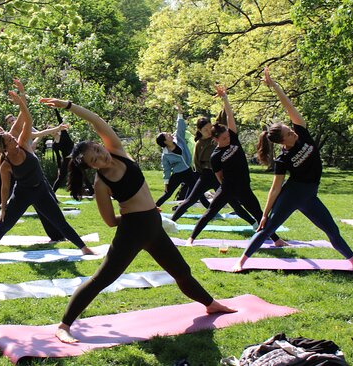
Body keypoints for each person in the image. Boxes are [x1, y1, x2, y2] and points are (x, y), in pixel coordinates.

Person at [38, 97, 236, 343]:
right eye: (95, 160)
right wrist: (135, 216)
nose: (102, 158)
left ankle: (210, 304)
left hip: (153, 225)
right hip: (132, 230)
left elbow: (97, 121)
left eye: (98, 151)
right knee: (102, 278)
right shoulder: (102, 184)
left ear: (101, 145)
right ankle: (64, 325)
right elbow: (110, 221)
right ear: (91, 167)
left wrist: (68, 106)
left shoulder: (117, 151)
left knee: (182, 271)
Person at [232, 67, 353, 271]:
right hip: (293, 194)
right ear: (283, 141)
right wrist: (265, 213)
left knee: (332, 230)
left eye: (290, 128)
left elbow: (289, 107)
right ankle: (240, 262)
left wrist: (274, 86)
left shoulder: (302, 134)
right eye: (288, 132)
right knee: (267, 229)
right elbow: (275, 189)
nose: (292, 131)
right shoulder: (283, 159)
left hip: (310, 196)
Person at [0, 82, 95, 262]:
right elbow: (5, 188)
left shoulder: (22, 144)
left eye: (11, 136)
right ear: (5, 147)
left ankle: (84, 248)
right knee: (4, 225)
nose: (13, 137)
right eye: (9, 139)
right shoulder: (5, 163)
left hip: (40, 190)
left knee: (60, 221)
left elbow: (27, 120)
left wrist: (21, 98)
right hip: (22, 194)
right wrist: (4, 209)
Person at [186, 86, 286, 246]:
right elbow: (219, 177)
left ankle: (277, 240)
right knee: (210, 212)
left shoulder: (233, 138)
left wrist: (225, 97)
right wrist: (227, 189)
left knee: (258, 213)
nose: (228, 139)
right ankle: (191, 238)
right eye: (224, 138)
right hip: (227, 188)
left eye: (228, 136)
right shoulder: (215, 156)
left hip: (244, 187)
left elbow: (230, 115)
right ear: (216, 139)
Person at [169, 115, 254, 224]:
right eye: (205, 130)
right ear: (200, 130)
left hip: (219, 176)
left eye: (210, 128)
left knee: (233, 202)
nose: (209, 131)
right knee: (190, 200)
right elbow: (196, 162)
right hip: (205, 175)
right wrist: (201, 174)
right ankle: (171, 222)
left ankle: (254, 223)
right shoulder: (199, 143)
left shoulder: (216, 140)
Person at [154, 105, 204, 208]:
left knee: (198, 193)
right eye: (167, 135)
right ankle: (153, 209)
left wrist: (180, 113)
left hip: (188, 171)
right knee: (167, 194)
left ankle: (211, 211)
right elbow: (166, 170)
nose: (169, 134)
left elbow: (180, 127)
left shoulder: (178, 138)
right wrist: (166, 183)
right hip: (177, 174)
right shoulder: (165, 155)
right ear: (164, 141)